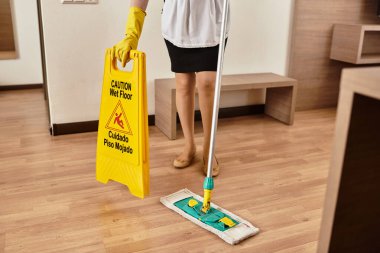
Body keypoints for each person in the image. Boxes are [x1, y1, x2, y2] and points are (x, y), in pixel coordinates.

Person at [114, 0, 230, 177]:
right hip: (178, 20)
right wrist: (132, 32)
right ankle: (189, 145)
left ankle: (209, 147)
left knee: (207, 82)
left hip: (211, 19)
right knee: (183, 83)